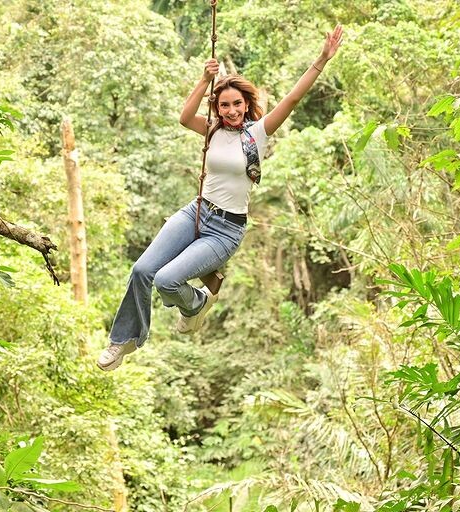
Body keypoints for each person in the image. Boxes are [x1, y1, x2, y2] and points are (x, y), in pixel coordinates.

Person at [97, 25, 344, 371]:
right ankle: (124, 340)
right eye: (224, 105)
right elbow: (185, 118)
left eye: (237, 104)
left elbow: (292, 99)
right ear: (218, 106)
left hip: (226, 230)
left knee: (167, 281)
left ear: (247, 104)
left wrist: (321, 60)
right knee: (141, 270)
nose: (231, 110)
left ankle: (196, 304)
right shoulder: (212, 129)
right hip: (196, 213)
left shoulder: (257, 133)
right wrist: (204, 80)